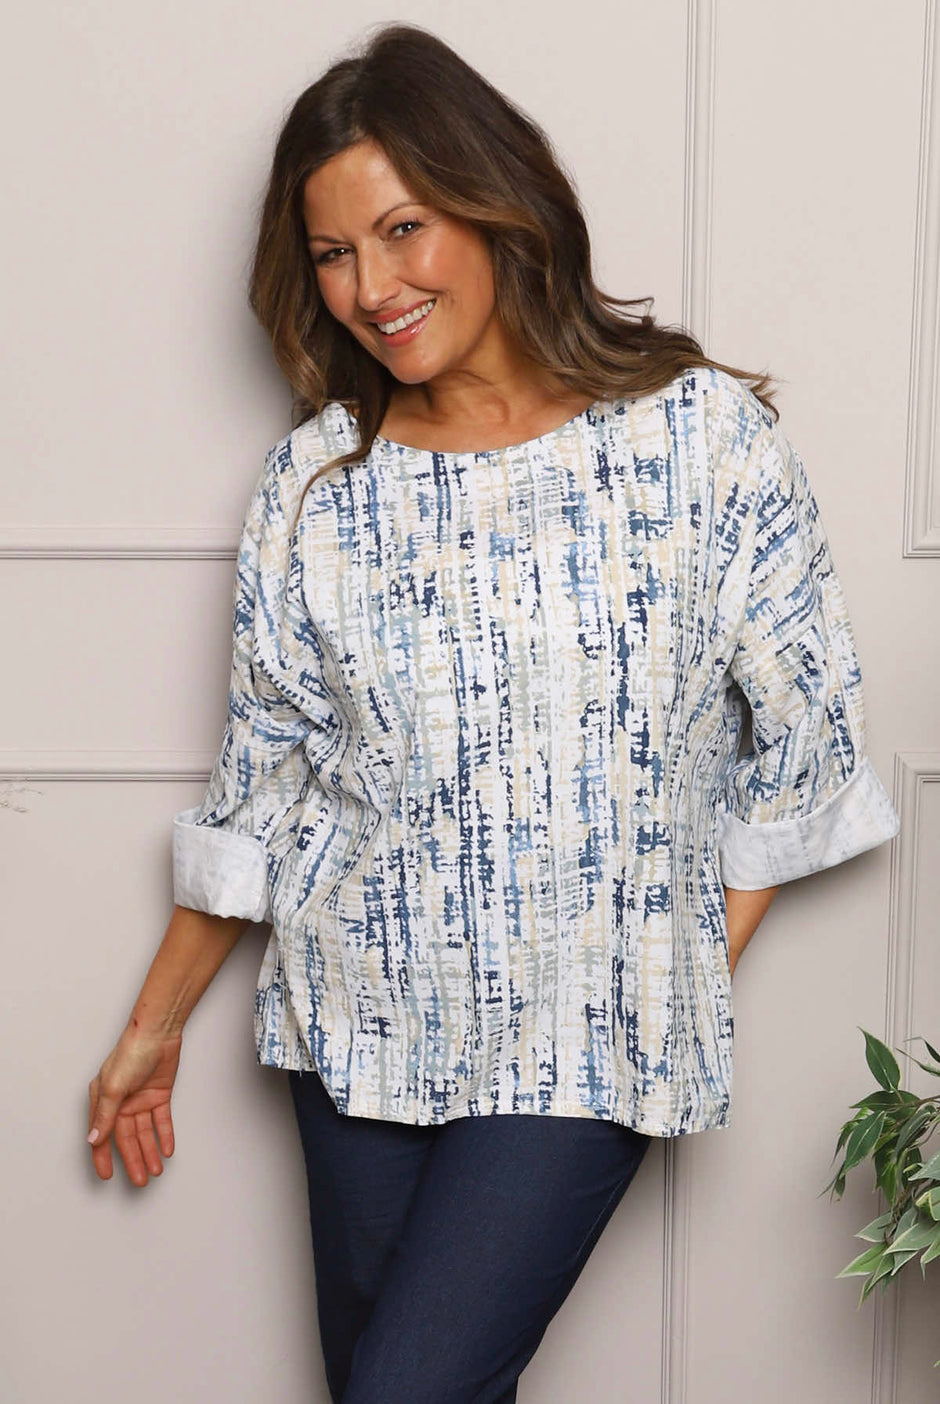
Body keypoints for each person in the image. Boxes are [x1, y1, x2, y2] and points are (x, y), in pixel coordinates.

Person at [86, 22, 901, 1404]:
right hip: (357, 1022)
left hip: (589, 1032)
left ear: (494, 199)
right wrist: (154, 1027)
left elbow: (808, 740)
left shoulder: (701, 441)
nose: (372, 289)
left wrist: (665, 973)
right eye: (333, 253)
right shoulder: (316, 488)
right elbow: (267, 789)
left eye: (402, 229)